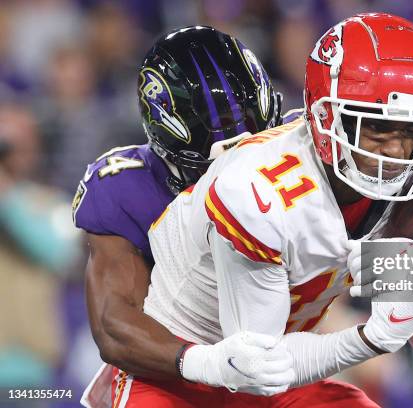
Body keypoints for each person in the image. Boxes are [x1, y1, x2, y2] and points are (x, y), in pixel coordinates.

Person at [140, 13, 413, 406]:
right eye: (377, 127)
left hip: (287, 362)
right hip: (180, 366)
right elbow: (256, 368)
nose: (397, 151)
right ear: (325, 116)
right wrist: (369, 339)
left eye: (409, 130)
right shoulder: (256, 190)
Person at [75, 26, 298, 407]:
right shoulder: (124, 188)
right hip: (176, 372)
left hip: (283, 358)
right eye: (223, 160)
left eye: (256, 146)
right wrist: (209, 363)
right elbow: (115, 327)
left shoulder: (304, 148)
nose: (241, 171)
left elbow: (369, 234)